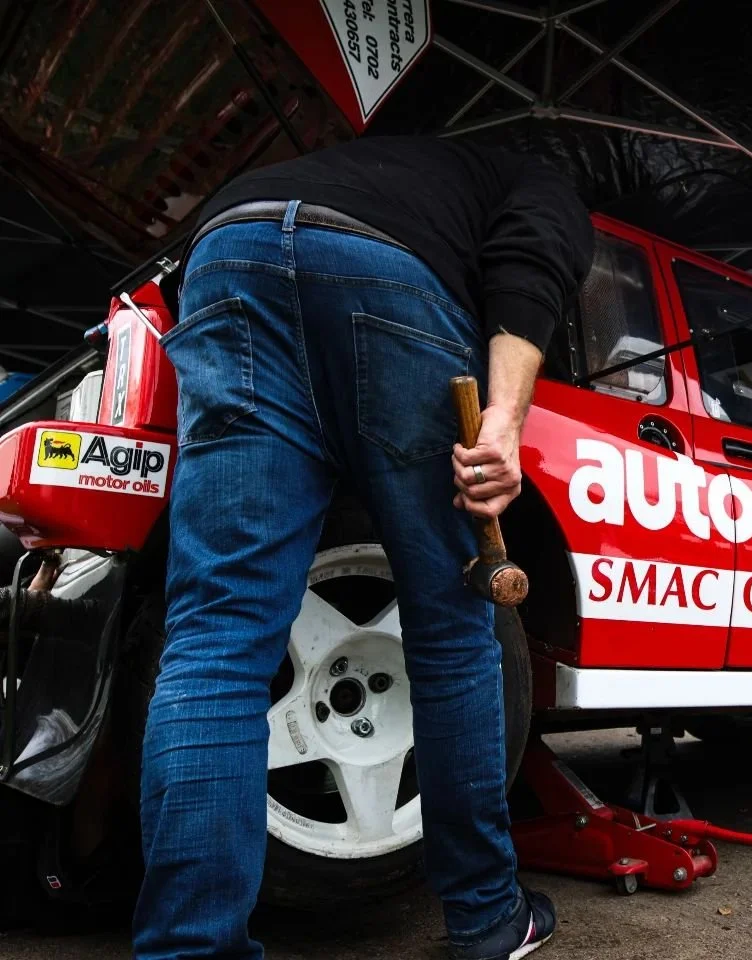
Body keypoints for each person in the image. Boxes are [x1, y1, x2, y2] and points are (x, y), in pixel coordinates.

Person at [134, 137, 593, 960]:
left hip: (228, 251)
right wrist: (504, 424)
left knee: (216, 644)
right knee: (454, 638)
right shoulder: (537, 170)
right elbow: (531, 264)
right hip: (389, 284)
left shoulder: (343, 158)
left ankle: (188, 952)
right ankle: (488, 920)